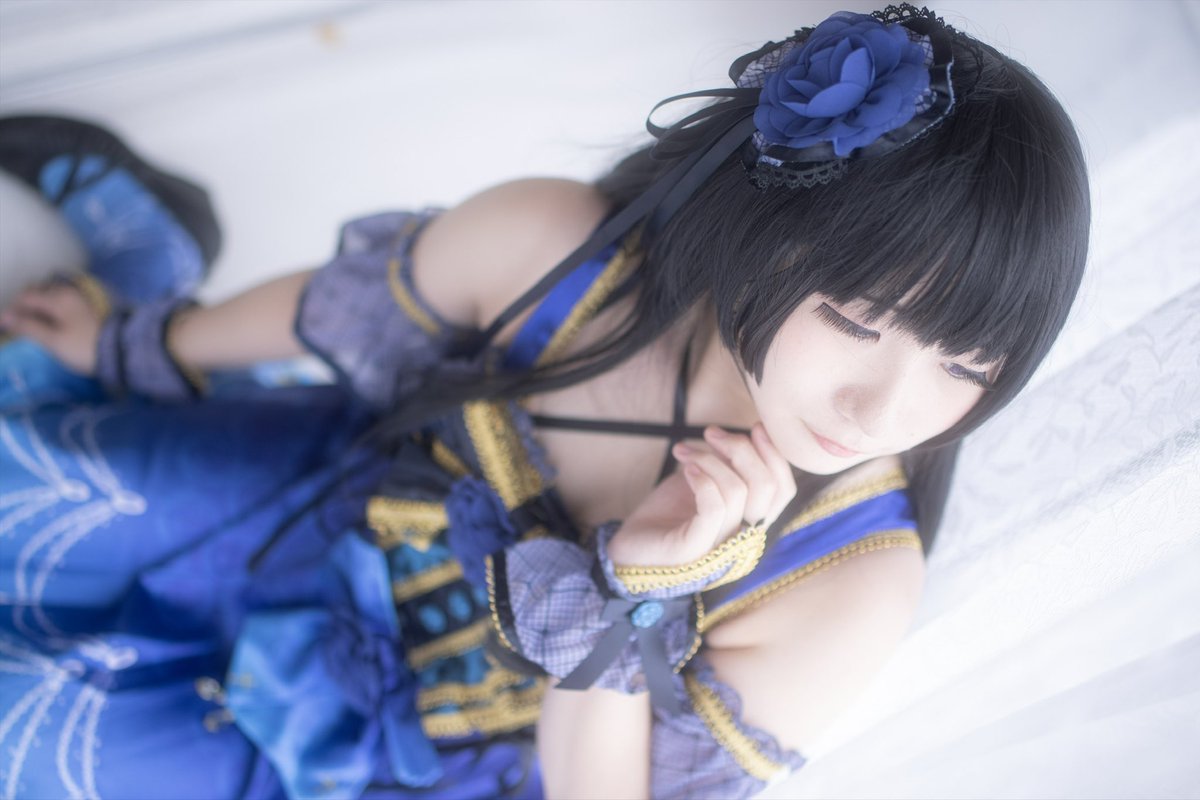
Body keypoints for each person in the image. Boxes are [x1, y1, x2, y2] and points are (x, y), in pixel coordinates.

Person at [0, 5, 1089, 799]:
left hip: (393, 761)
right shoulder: (563, 256)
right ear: (772, 231)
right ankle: (152, 267)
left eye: (967, 367)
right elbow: (334, 307)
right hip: (316, 509)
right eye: (855, 318)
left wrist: (639, 594)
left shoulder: (846, 577)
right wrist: (135, 342)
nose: (883, 408)